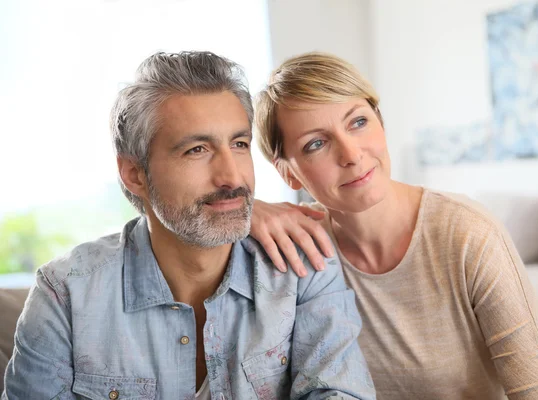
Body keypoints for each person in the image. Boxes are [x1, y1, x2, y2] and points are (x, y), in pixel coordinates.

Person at [2, 51, 375, 400]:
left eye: (240, 144)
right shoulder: (64, 295)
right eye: (197, 150)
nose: (232, 176)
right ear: (135, 175)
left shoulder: (303, 268)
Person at [251, 52, 538, 399]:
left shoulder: (468, 233)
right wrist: (245, 212)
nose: (351, 154)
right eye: (316, 143)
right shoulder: (298, 245)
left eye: (358, 122)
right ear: (287, 172)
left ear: (381, 121)